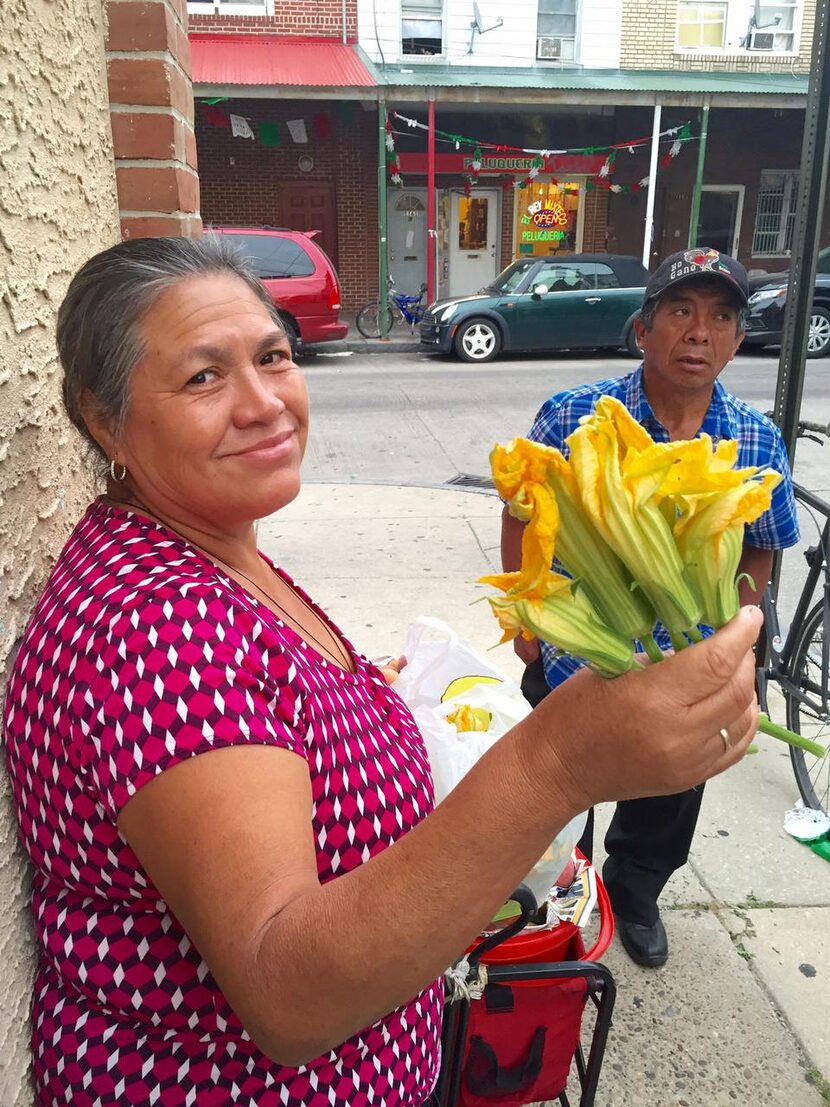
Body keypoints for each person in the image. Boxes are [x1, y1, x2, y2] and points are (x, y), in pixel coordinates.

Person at [3, 237, 763, 1107]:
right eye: (204, 378)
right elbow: (286, 994)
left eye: (273, 356)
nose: (265, 404)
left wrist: (363, 692)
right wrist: (559, 760)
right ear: (105, 420)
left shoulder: (212, 545)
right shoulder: (148, 629)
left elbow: (261, 714)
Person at [500, 247, 800, 971]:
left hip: (687, 664)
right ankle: (552, 895)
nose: (700, 332)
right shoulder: (577, 412)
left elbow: (762, 546)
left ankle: (634, 892)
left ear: (737, 338)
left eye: (722, 316)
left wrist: (743, 630)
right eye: (681, 311)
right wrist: (525, 619)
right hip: (579, 653)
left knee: (668, 797)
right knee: (551, 793)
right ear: (644, 329)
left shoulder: (754, 437)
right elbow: (521, 510)